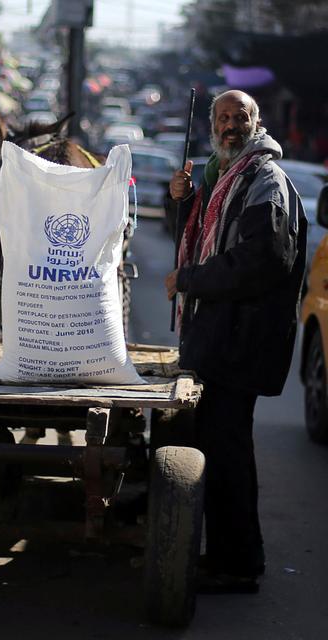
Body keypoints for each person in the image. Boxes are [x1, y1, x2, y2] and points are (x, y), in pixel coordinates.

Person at [164, 90, 307, 594]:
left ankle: (239, 564)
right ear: (212, 125)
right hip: (216, 341)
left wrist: (190, 280)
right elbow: (199, 235)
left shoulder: (265, 181)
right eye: (223, 118)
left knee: (226, 456)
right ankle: (225, 555)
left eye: (240, 116)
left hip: (239, 344)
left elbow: (262, 262)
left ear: (256, 122)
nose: (231, 125)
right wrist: (179, 201)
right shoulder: (221, 178)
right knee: (214, 452)